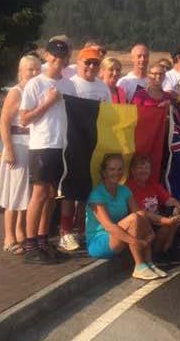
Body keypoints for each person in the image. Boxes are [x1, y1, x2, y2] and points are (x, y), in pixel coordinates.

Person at [19, 39, 77, 264]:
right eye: (54, 57)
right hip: (42, 145)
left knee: (53, 194)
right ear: (47, 56)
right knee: (39, 194)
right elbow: (24, 119)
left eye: (62, 58)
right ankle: (30, 243)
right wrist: (47, 103)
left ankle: (44, 240)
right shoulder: (35, 83)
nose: (58, 62)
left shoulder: (69, 85)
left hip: (60, 147)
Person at [86, 154, 179, 280]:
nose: (116, 173)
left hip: (119, 235)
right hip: (100, 240)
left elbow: (140, 213)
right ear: (103, 172)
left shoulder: (124, 190)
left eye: (119, 169)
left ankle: (149, 263)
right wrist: (134, 241)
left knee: (138, 215)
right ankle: (139, 266)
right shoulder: (97, 194)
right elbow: (109, 226)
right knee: (134, 218)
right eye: (112, 169)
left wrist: (156, 227)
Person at [58, 47, 113, 253]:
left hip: (94, 145)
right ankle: (65, 232)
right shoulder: (70, 85)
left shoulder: (102, 87)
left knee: (87, 192)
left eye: (95, 63)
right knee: (70, 192)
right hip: (73, 144)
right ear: (78, 63)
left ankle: (82, 229)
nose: (91, 66)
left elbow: (109, 116)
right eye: (87, 62)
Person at [0, 55, 41, 256]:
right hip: (18, 145)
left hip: (34, 145)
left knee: (27, 193)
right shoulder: (16, 92)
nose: (34, 73)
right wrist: (9, 149)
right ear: (20, 71)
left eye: (37, 69)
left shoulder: (37, 91)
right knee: (15, 193)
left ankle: (21, 232)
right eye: (30, 69)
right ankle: (9, 237)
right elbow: (4, 122)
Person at [126, 154, 180, 265]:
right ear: (132, 171)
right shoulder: (129, 188)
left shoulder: (153, 184)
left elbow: (170, 200)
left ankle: (166, 249)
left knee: (176, 212)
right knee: (167, 225)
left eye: (146, 168)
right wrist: (165, 221)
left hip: (157, 218)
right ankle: (157, 253)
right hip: (143, 222)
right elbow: (141, 213)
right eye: (140, 167)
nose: (144, 171)